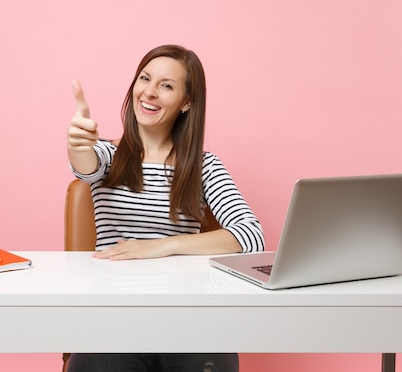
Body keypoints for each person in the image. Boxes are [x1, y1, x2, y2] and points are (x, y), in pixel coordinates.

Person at [66, 44, 264, 372]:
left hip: (186, 316)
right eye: (145, 78)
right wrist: (77, 144)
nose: (150, 92)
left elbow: (250, 237)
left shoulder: (204, 167)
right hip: (115, 316)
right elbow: (85, 165)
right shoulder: (107, 155)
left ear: (186, 103)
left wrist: (160, 247)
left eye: (167, 85)